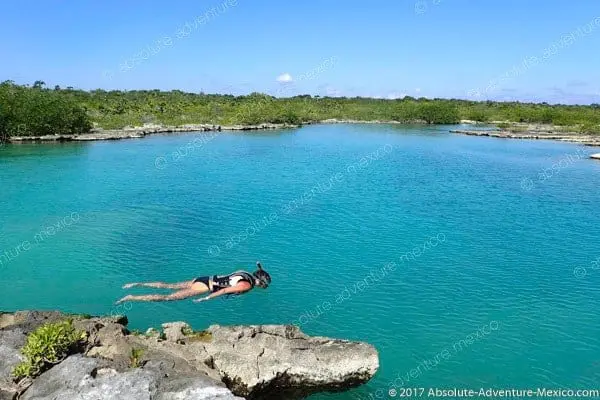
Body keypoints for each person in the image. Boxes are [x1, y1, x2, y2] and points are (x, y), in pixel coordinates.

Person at [115, 262, 271, 304]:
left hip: (202, 279)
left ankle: (137, 284)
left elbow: (226, 279)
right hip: (204, 287)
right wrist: (207, 298)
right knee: (168, 298)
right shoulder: (247, 285)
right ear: (261, 282)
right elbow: (224, 291)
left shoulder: (244, 272)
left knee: (168, 285)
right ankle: (131, 297)